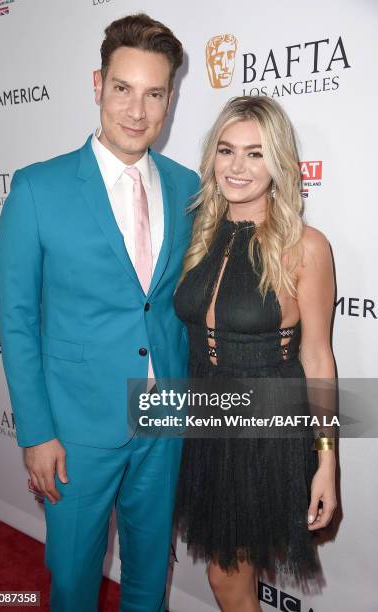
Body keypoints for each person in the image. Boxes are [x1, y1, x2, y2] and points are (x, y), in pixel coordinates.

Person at [0, 13, 199, 612]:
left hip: (163, 421)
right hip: (76, 432)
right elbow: (16, 321)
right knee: (74, 579)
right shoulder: (37, 189)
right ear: (97, 84)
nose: (137, 111)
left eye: (154, 93)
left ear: (169, 99)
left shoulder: (189, 187)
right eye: (122, 88)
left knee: (147, 574)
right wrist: (36, 433)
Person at [174, 96, 337, 611]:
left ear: (280, 164)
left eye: (255, 153)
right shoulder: (200, 235)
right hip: (204, 422)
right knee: (225, 578)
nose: (237, 167)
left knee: (227, 580)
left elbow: (317, 358)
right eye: (226, 151)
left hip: (266, 428)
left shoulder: (305, 246)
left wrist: (327, 461)